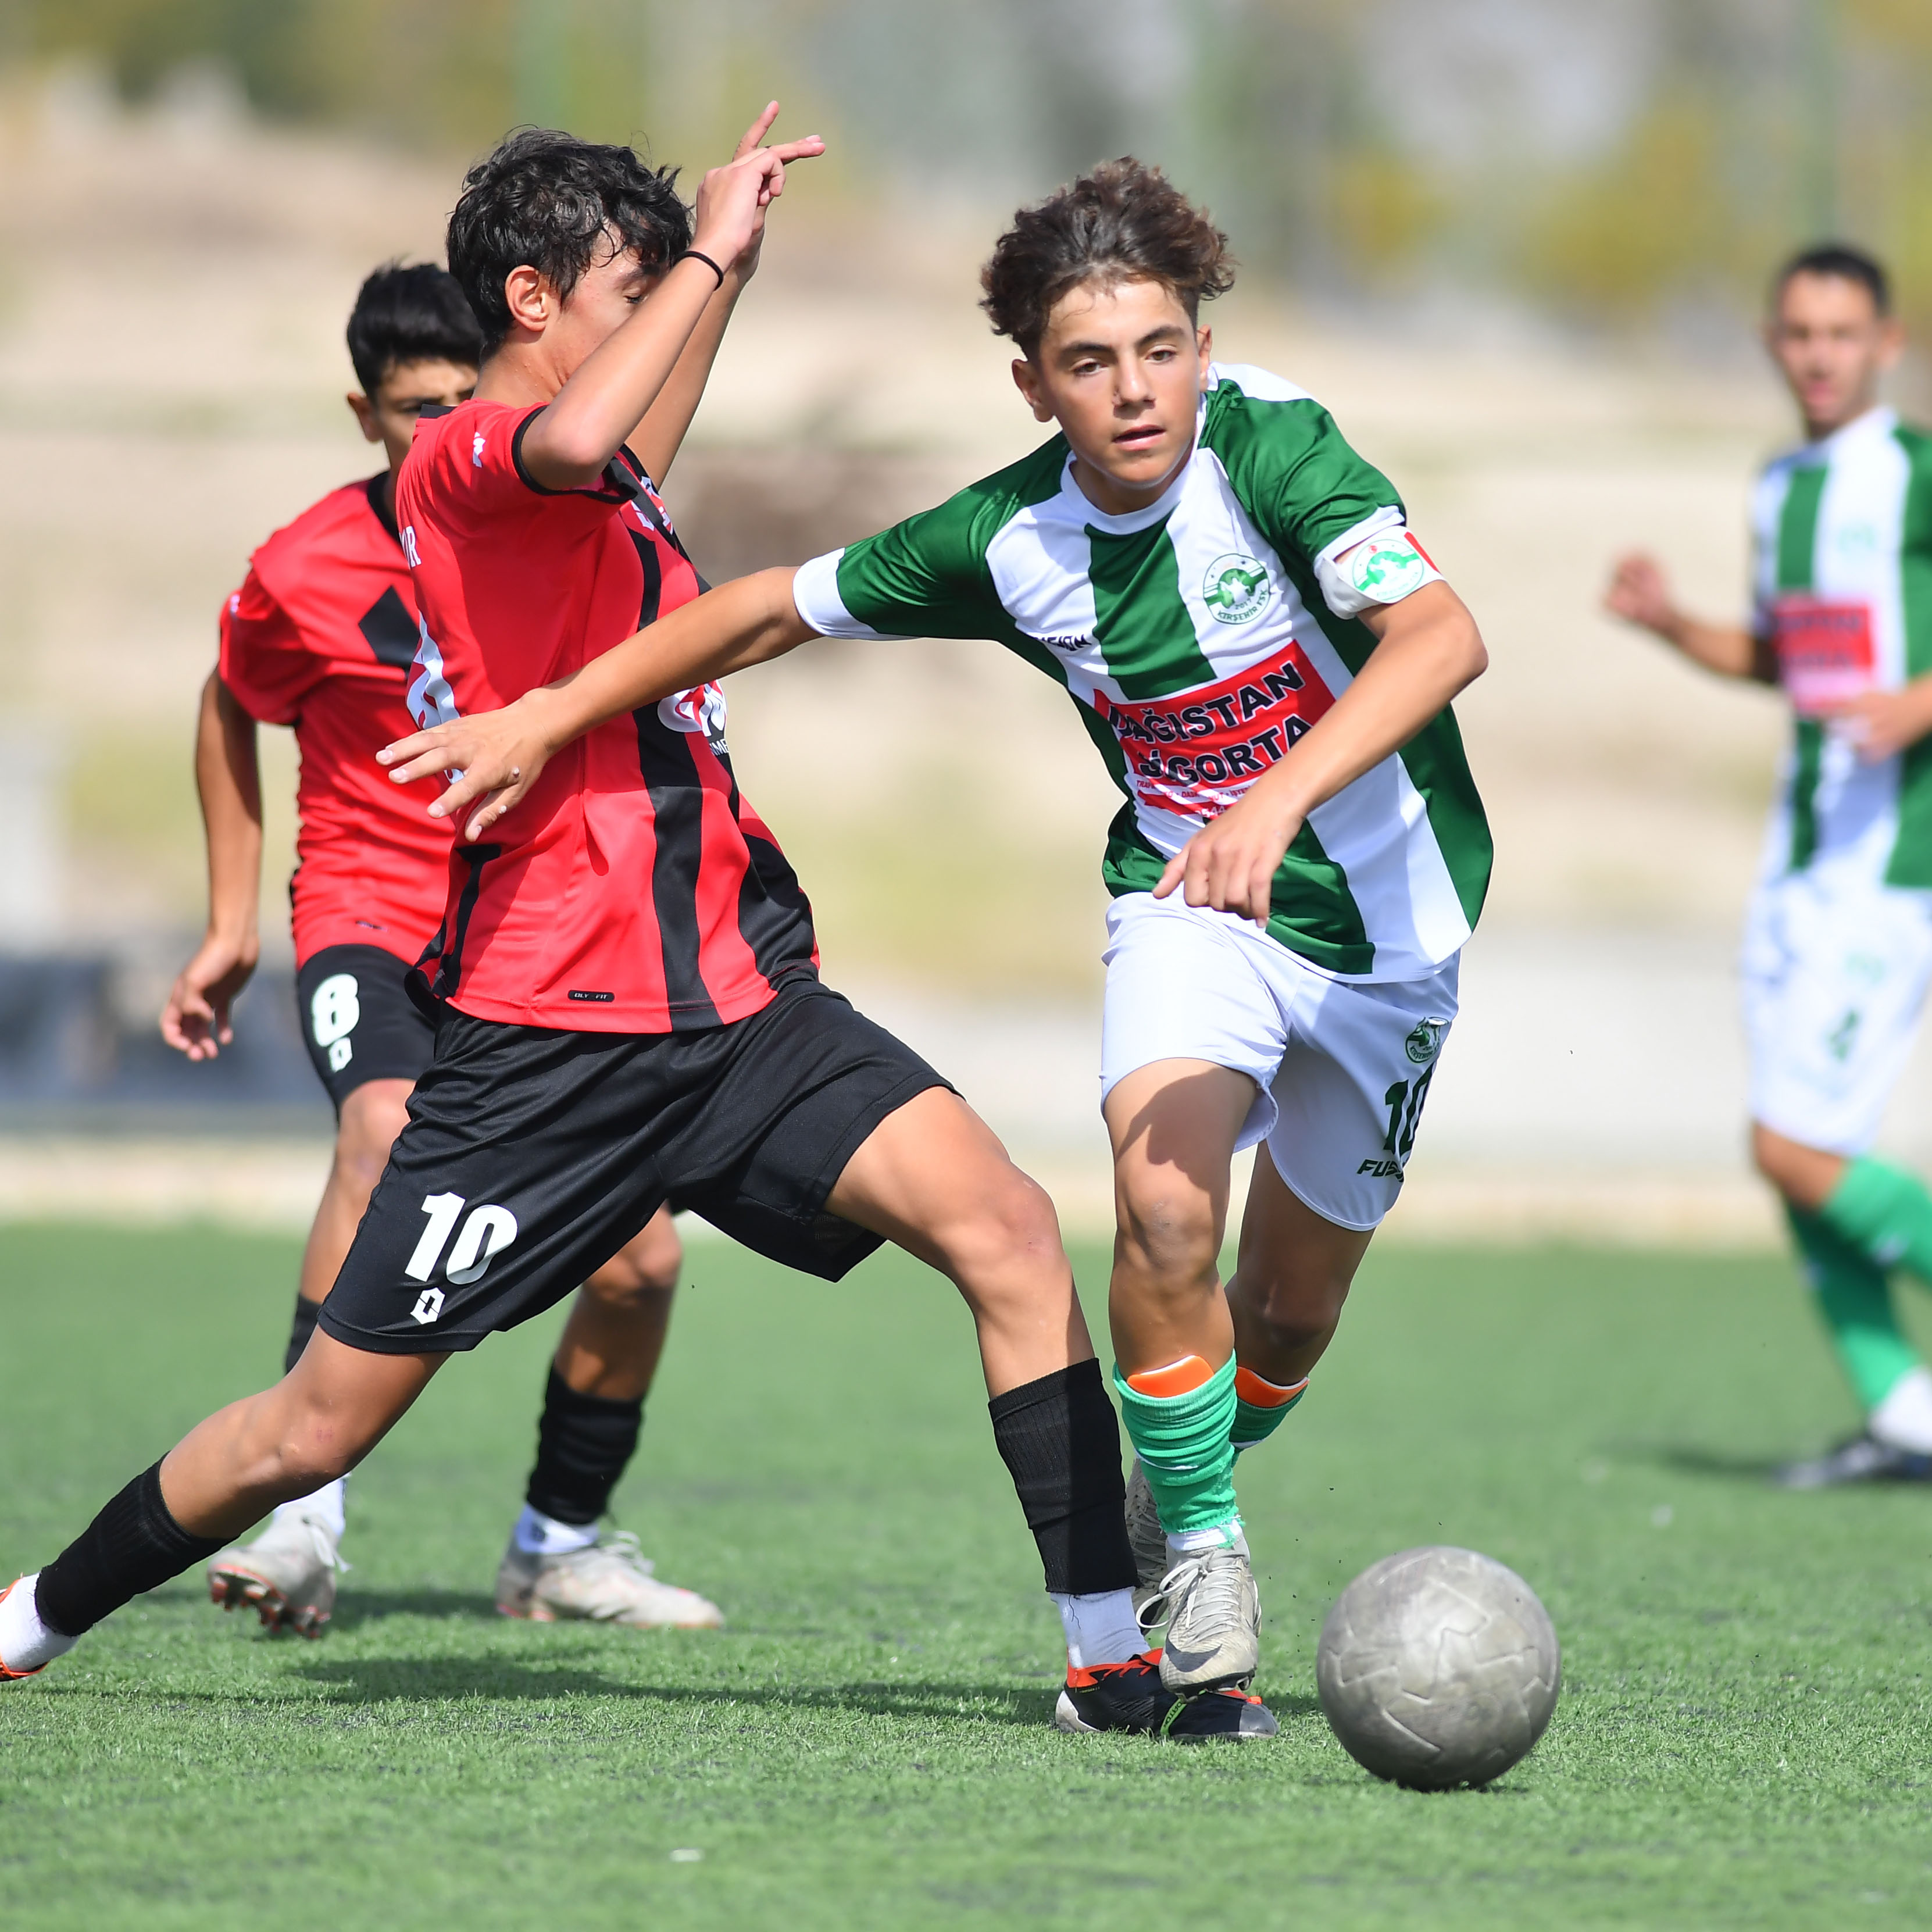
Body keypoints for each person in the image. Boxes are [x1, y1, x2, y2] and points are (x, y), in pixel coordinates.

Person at [2, 114, 1216, 1738]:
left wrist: (728, 262)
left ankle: (1105, 1661)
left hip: (734, 1005)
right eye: (623, 291)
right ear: (528, 299)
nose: (652, 324)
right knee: (311, 1429)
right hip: (551, 1039)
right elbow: (571, 439)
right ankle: (25, 1619)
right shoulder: (465, 465)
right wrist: (705, 258)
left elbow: (621, 424)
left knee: (999, 1226)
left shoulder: (595, 483)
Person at [366, 158, 1494, 1730]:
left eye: (1162, 349)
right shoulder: (1007, 540)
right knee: (1161, 1210)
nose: (1136, 389)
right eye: (1091, 363)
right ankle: (1208, 1563)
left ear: (1201, 352)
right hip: (1183, 900)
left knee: (1286, 1313)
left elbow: (1442, 635)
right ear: (1031, 383)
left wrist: (1280, 797)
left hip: (1391, 925)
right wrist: (550, 709)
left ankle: (1186, 1485)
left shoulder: (1276, 446)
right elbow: (761, 607)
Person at [158, 260, 719, 1635]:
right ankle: (301, 1521)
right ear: (365, 414)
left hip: (536, 930)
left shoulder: (558, 522)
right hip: (373, 914)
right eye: (418, 409)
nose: (447, 428)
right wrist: (231, 922)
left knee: (644, 1261)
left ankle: (559, 1547)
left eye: (470, 398)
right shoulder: (301, 568)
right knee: (381, 1133)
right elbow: (231, 706)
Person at [1607, 244, 1932, 1487]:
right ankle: (1903, 1411)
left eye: (1843, 333)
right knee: (1786, 1151)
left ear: (1886, 346)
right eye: (1798, 332)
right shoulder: (1778, 487)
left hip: (1898, 858)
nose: (1819, 354)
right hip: (1798, 861)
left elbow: (1893, 685)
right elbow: (1787, 662)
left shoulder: (1914, 474)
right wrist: (1673, 625)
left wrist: (1923, 700)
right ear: (1770, 341)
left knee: (1799, 1147)